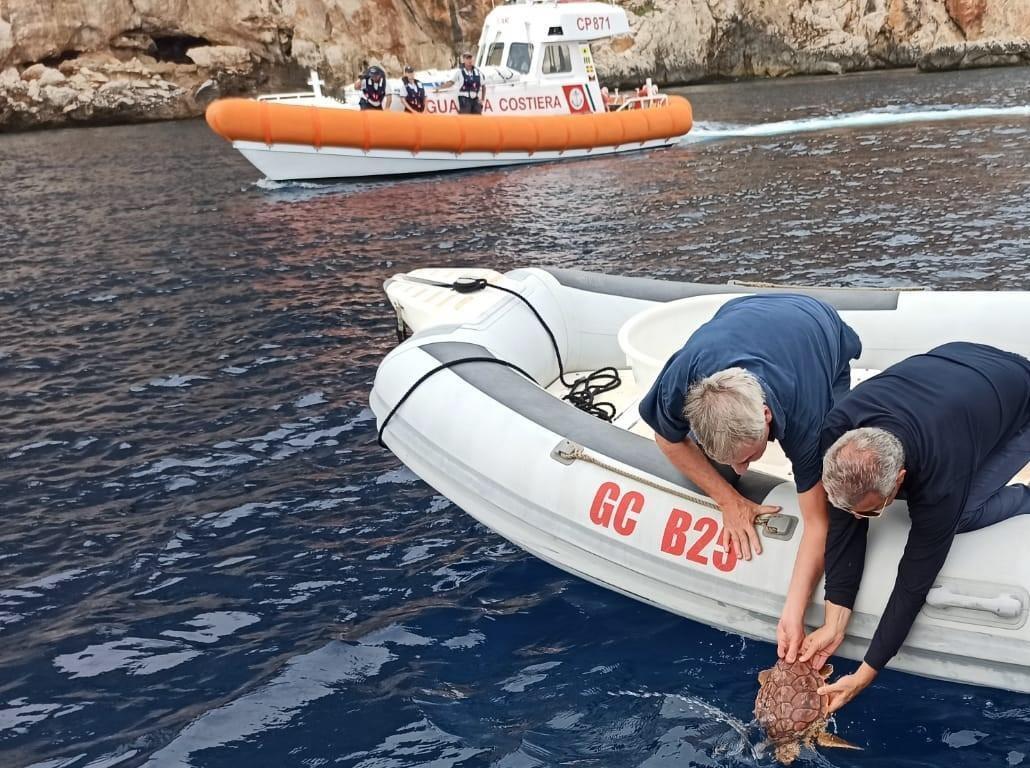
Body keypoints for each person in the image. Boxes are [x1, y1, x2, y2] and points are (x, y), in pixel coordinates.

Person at [799, 342, 1030, 713]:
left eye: (871, 512)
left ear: (900, 478)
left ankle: (1025, 497)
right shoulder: (836, 432)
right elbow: (844, 526)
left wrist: (867, 671)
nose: (859, 520)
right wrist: (834, 623)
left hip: (1020, 392)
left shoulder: (942, 475)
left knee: (963, 514)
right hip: (954, 360)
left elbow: (914, 580)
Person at [638, 293, 862, 663]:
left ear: (767, 416)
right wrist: (727, 499)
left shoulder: (807, 414)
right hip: (741, 314)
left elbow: (818, 522)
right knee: (723, 475)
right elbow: (666, 436)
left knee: (835, 461)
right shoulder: (686, 374)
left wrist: (793, 611)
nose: (742, 471)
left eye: (748, 458)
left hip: (818, 327)